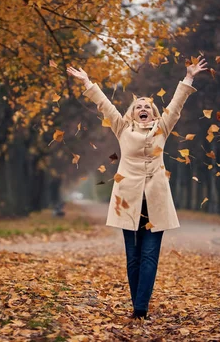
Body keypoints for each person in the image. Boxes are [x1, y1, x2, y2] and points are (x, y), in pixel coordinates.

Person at [67, 58, 207, 320]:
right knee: (133, 257)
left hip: (156, 201)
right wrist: (87, 82)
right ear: (131, 113)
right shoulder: (122, 128)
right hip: (128, 201)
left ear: (153, 114)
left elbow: (176, 106)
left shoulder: (162, 128)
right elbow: (105, 106)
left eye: (147, 107)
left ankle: (140, 309)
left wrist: (188, 78)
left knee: (150, 256)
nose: (143, 108)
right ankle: (138, 306)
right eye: (138, 106)